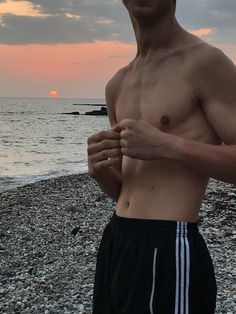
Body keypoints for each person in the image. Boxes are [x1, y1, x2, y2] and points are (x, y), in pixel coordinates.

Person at [87, 0, 236, 313]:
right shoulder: (118, 84)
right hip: (117, 240)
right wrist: (102, 172)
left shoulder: (205, 63)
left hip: (170, 245)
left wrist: (168, 146)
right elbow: (126, 192)